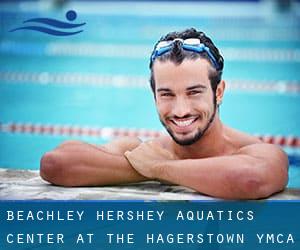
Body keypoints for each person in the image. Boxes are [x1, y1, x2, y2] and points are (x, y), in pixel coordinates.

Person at [40, 28, 288, 199]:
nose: (180, 111)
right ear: (154, 95)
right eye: (167, 94)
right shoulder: (142, 149)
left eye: (194, 93)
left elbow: (249, 180)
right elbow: (56, 164)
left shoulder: (255, 151)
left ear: (219, 91)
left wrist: (161, 168)